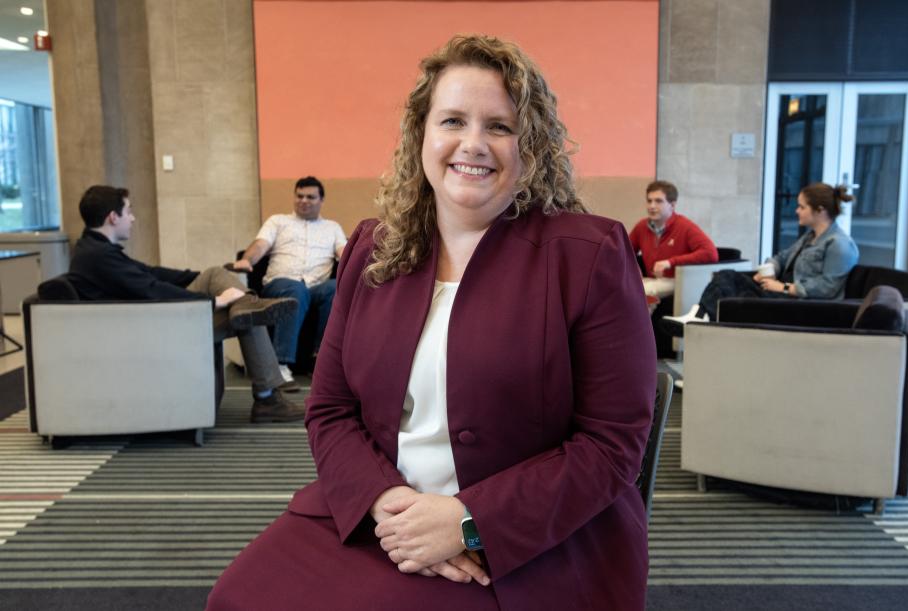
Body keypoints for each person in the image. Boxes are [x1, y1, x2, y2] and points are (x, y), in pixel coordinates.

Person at [207, 35, 656, 610]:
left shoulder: (588, 254)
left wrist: (468, 522)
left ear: (532, 144)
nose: (473, 144)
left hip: (526, 543)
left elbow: (612, 445)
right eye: (452, 120)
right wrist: (385, 504)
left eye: (499, 126)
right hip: (379, 514)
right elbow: (330, 409)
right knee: (237, 598)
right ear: (422, 133)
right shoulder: (374, 248)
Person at [68, 185, 305, 424]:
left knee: (224, 286)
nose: (132, 218)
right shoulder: (99, 257)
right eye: (128, 211)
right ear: (112, 216)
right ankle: (267, 399)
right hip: (150, 327)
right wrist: (214, 301)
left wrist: (195, 277)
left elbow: (150, 273)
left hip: (149, 320)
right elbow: (151, 290)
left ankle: (249, 308)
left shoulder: (95, 250)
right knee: (251, 313)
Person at [663, 182, 859, 331]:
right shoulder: (810, 237)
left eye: (802, 207)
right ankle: (700, 316)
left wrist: (784, 287)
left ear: (820, 210)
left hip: (801, 304)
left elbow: (828, 287)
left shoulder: (840, 244)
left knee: (738, 296)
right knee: (726, 276)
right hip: (783, 293)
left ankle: (702, 322)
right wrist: (769, 270)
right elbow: (781, 258)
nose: (796, 210)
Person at [234, 176, 346, 387]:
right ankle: (281, 364)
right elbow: (260, 245)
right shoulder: (278, 221)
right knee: (296, 290)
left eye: (310, 197)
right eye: (299, 196)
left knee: (335, 289)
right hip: (280, 284)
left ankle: (322, 362)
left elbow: (344, 253)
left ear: (321, 200)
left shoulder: (332, 228)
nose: (304, 200)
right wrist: (246, 260)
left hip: (316, 287)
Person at [629, 179, 718, 299]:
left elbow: (710, 253)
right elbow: (625, 252)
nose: (652, 206)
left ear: (672, 205)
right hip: (653, 279)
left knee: (641, 291)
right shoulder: (641, 226)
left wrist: (670, 262)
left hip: (677, 281)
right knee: (621, 288)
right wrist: (634, 269)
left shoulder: (685, 226)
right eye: (649, 201)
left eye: (658, 201)